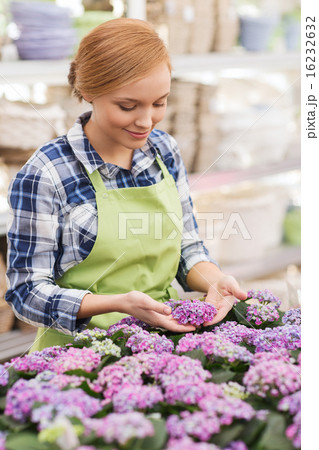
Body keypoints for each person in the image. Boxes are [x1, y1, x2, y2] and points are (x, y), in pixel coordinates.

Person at [5, 18, 247, 351]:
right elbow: (26, 293)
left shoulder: (164, 151)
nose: (146, 121)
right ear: (89, 91)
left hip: (162, 344)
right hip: (79, 358)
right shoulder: (47, 173)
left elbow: (186, 247)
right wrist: (117, 303)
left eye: (159, 103)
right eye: (127, 106)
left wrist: (214, 280)